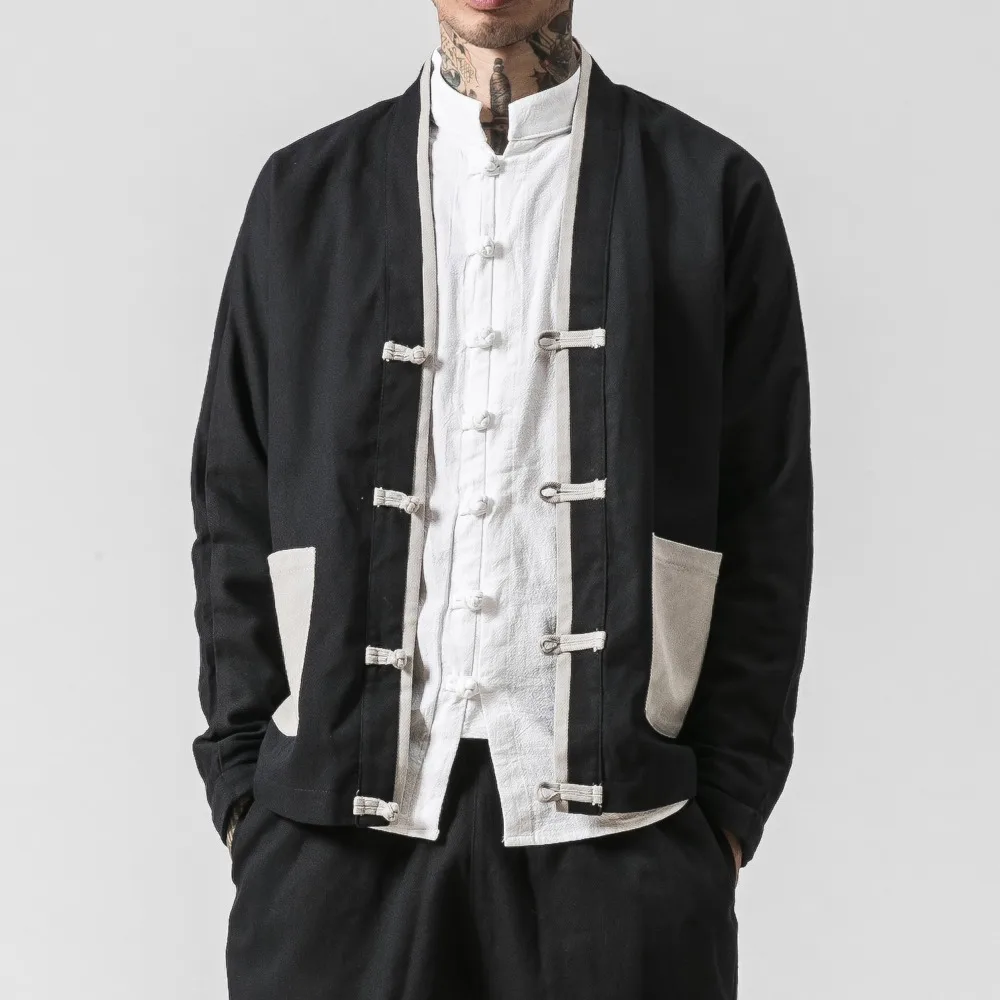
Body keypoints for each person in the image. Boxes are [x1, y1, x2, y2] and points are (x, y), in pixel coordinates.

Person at [189, 1, 814, 996]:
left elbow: (766, 513)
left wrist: (725, 812)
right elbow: (233, 495)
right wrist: (242, 787)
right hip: (330, 846)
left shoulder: (707, 190)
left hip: (624, 837)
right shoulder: (302, 195)